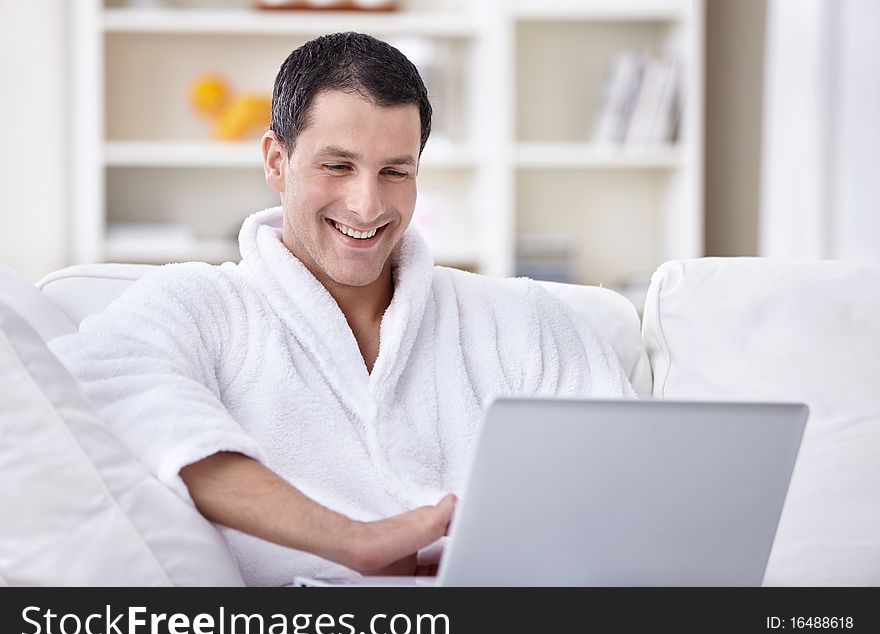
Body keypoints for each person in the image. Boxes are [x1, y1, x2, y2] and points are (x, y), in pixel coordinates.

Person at [50, 32, 635, 586]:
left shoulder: (522, 319)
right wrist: (349, 538)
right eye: (338, 166)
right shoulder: (202, 305)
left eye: (394, 172)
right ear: (277, 160)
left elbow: (631, 474)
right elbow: (96, 384)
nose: (367, 204)